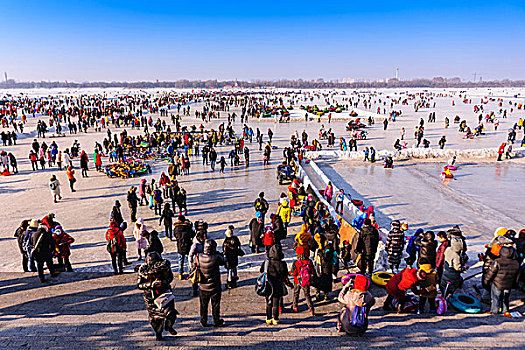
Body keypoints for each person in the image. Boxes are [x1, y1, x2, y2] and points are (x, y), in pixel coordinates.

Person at [137, 252, 178, 340]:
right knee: (156, 318)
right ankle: (158, 333)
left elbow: (170, 278)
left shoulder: (165, 267)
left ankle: (169, 327)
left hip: (165, 294)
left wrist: (163, 282)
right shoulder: (143, 270)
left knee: (171, 313)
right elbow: (139, 285)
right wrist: (151, 284)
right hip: (151, 297)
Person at [196, 239, 225, 327]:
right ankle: (216, 320)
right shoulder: (216, 257)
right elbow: (224, 261)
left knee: (203, 305)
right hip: (214, 286)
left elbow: (194, 265)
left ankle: (203, 320)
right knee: (215, 305)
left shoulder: (198, 256)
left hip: (203, 286)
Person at [483, 246, 520, 315]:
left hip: (497, 283)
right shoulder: (516, 263)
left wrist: (486, 281)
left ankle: (494, 311)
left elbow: (491, 273)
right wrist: (515, 284)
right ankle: (505, 311)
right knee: (505, 298)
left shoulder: (497, 261)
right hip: (509, 284)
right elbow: (517, 276)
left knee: (495, 298)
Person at [261, 244, 291, 325]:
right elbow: (285, 275)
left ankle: (268, 318)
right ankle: (275, 319)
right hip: (277, 285)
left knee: (268, 303)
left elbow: (261, 271)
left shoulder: (267, 262)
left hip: (268, 285)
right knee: (276, 304)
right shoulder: (282, 263)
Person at [313, 234, 334, 300]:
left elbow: (327, 259)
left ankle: (325, 295)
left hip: (326, 268)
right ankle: (318, 293)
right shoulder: (319, 247)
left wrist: (321, 254)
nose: (317, 242)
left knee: (326, 280)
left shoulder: (328, 247)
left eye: (318, 241)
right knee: (318, 280)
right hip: (319, 267)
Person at [189, 229, 207, 296]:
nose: (205, 238)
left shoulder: (204, 242)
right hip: (196, 263)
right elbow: (190, 255)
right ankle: (194, 291)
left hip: (203, 262)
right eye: (204, 237)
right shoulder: (195, 245)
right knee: (195, 278)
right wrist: (191, 265)